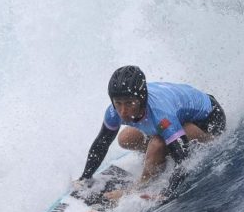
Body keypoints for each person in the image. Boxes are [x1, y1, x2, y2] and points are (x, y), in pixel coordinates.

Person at [76, 65, 226, 203]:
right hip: (176, 118)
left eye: (129, 103)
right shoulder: (113, 111)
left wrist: (168, 192)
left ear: (141, 99)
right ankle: (162, 156)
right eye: (118, 103)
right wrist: (85, 177)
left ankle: (139, 186)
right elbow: (102, 143)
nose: (123, 111)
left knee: (157, 144)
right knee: (125, 138)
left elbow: (184, 159)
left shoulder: (161, 114)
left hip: (210, 120)